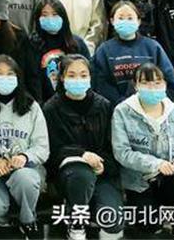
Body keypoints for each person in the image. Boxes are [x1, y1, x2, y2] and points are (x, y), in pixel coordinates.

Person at [112, 63, 174, 239]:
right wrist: (156, 164)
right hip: (138, 182)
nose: (152, 88)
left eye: (157, 82)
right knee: (147, 226)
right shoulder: (122, 112)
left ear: (165, 84)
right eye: (145, 83)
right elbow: (122, 152)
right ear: (135, 85)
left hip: (171, 177)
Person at [42, 55, 124, 240]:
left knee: (113, 221)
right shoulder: (51, 108)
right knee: (81, 175)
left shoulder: (104, 105)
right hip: (70, 174)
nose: (78, 80)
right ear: (62, 78)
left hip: (102, 173)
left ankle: (85, 207)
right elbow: (51, 150)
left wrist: (103, 165)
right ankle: (76, 223)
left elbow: (114, 146)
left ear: (90, 77)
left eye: (83, 75)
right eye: (71, 75)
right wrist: (81, 154)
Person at [0, 55, 49, 239]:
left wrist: (24, 157)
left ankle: (28, 220)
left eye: (10, 74)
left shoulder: (32, 107)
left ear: (18, 77)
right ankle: (2, 219)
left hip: (27, 169)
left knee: (25, 179)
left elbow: (42, 147)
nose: (4, 78)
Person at [92, 1, 174, 106]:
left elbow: (169, 79)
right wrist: (122, 105)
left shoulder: (153, 47)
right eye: (121, 18)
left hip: (152, 106)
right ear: (112, 21)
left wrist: (157, 103)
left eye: (130, 18)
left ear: (138, 21)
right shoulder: (104, 50)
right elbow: (100, 83)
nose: (125, 21)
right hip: (116, 108)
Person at [29, 0, 91, 101]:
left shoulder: (77, 43)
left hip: (73, 99)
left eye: (54, 14)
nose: (50, 18)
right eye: (44, 15)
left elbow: (89, 72)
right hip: (44, 101)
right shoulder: (32, 44)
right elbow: (31, 78)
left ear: (63, 17)